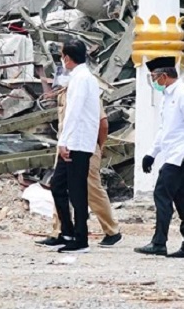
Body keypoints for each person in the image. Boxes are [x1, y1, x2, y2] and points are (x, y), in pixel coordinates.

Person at [35, 66, 122, 250]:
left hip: (84, 146)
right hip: (67, 145)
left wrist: (98, 147)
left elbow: (103, 124)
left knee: (90, 189)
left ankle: (111, 230)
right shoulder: (64, 92)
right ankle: (60, 231)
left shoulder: (85, 88)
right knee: (60, 186)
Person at [134, 56, 184, 258]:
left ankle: (159, 242)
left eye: (154, 77)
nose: (154, 81)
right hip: (172, 154)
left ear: (164, 76)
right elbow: (164, 129)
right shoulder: (168, 96)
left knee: (162, 195)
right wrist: (151, 154)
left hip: (180, 156)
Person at [45, 39, 101, 254]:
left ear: (67, 58)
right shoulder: (80, 77)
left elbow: (74, 111)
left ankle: (81, 238)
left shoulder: (82, 79)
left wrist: (64, 141)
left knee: (77, 191)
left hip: (76, 142)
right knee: (58, 185)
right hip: (73, 140)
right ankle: (66, 231)